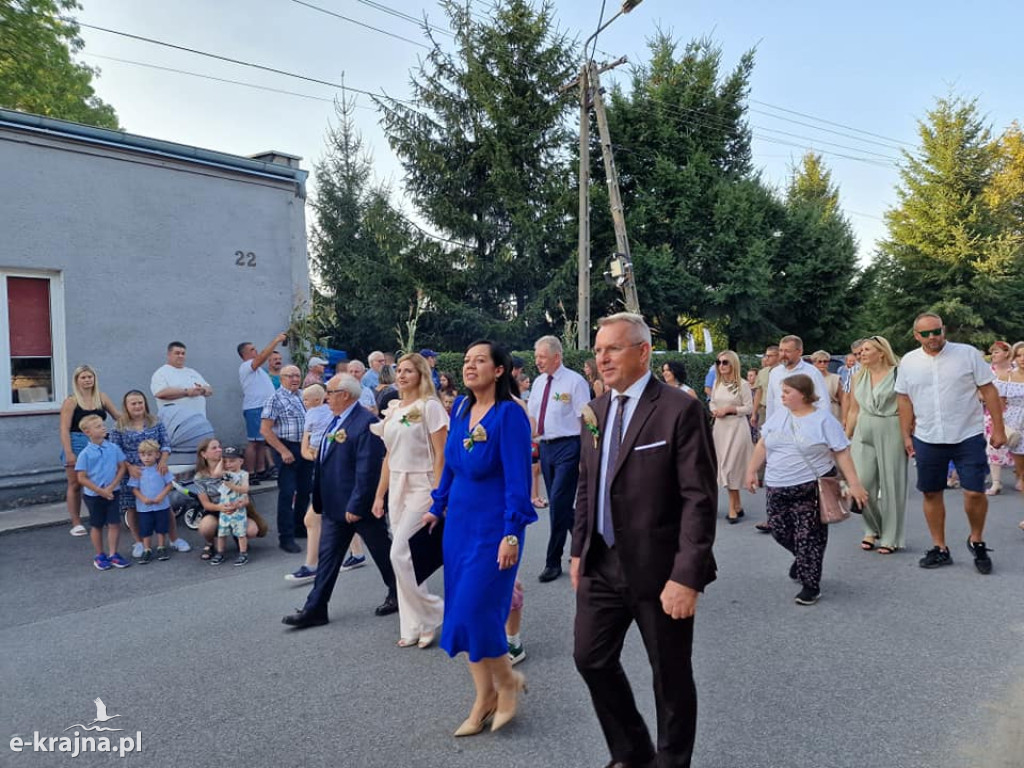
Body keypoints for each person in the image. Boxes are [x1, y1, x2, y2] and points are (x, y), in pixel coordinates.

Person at [571, 313, 718, 768]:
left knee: (670, 676)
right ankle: (631, 751)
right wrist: (578, 551)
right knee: (590, 659)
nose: (602, 358)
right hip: (601, 562)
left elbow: (699, 496)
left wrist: (687, 575)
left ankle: (672, 761)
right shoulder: (595, 410)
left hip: (660, 569)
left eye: (612, 348)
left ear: (643, 351)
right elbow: (586, 485)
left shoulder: (678, 407)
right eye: (598, 350)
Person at [424, 340, 535, 736]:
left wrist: (511, 534)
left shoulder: (510, 416)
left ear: (499, 370)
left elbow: (519, 482)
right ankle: (486, 694)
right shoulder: (460, 408)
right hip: (459, 528)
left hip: (494, 529)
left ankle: (505, 684)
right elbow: (450, 464)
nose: (470, 366)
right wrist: (437, 505)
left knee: (478, 612)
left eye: (479, 361)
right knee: (461, 613)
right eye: (466, 360)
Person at [282, 374, 398, 628]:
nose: (326, 397)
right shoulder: (335, 420)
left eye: (330, 392)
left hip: (357, 506)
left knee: (382, 552)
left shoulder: (365, 423)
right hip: (335, 505)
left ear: (345, 395)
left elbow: (367, 470)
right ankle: (315, 608)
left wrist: (356, 506)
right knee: (328, 558)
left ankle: (400, 592)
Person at [895, 312, 1006, 574]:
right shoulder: (909, 362)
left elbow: (989, 390)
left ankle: (976, 540)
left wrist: (998, 429)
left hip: (966, 433)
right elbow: (903, 399)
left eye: (937, 331)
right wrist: (905, 434)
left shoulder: (967, 354)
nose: (933, 337)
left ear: (943, 330)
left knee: (974, 491)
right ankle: (940, 547)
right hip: (928, 436)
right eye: (926, 333)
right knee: (932, 492)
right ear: (916, 336)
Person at [745, 374, 868, 605]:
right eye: (782, 392)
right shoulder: (778, 416)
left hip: (811, 485)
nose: (782, 396)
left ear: (802, 394)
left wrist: (855, 485)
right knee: (779, 530)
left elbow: (841, 452)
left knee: (810, 536)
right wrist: (752, 470)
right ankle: (803, 558)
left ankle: (811, 585)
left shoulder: (823, 420)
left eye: (787, 392)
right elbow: (763, 443)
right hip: (776, 484)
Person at [371, 353, 449, 649]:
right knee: (408, 558)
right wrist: (379, 494)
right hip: (397, 485)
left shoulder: (430, 407)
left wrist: (438, 495)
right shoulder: (392, 409)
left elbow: (441, 454)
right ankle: (413, 625)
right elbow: (389, 456)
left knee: (399, 553)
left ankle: (432, 613)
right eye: (398, 371)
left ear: (421, 375)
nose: (401, 376)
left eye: (408, 371)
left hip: (423, 484)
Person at [527, 335, 591, 583]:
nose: (538, 362)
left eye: (542, 357)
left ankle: (552, 561)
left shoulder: (574, 382)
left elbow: (585, 419)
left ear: (557, 356)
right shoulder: (539, 382)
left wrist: (585, 454)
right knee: (560, 504)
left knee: (557, 501)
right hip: (546, 446)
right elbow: (532, 416)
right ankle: (588, 543)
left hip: (569, 446)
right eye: (536, 357)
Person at [844, 335, 907, 554]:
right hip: (863, 428)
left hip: (891, 427)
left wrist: (909, 435)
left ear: (881, 352)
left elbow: (908, 406)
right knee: (861, 483)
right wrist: (846, 437)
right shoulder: (858, 376)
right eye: (859, 351)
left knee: (892, 485)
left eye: (866, 350)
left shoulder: (898, 374)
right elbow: (853, 409)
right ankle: (872, 528)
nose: (861, 354)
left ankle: (891, 536)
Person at [110, 389, 190, 556]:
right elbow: (115, 450)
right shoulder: (119, 426)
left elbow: (166, 443)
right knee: (133, 508)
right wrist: (129, 467)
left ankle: (174, 539)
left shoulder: (155, 421)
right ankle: (139, 543)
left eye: (140, 402)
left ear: (145, 403)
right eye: (133, 403)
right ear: (126, 406)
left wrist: (162, 461)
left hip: (156, 470)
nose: (137, 406)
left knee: (164, 506)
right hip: (132, 472)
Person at [59, 365, 120, 537]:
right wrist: (69, 452)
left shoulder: (101, 397)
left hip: (101, 443)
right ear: (77, 380)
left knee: (102, 480)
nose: (87, 380)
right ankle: (76, 522)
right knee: (76, 483)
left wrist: (136, 421)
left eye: (90, 377)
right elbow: (64, 429)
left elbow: (118, 416)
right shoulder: (71, 401)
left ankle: (101, 517)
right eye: (83, 377)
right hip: (77, 442)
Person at [260, 365, 312, 553]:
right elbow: (265, 430)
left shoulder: (302, 396)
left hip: (304, 447)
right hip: (286, 447)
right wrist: (282, 451)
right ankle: (286, 537)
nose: (294, 379)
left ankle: (299, 527)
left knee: (306, 490)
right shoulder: (275, 399)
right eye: (290, 376)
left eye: (297, 375)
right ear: (281, 378)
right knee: (287, 493)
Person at [285, 384, 333, 583]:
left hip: (329, 472)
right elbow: (306, 450)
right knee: (344, 518)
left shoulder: (314, 415)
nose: (305, 403)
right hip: (323, 468)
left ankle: (311, 566)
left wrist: (315, 452)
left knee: (312, 520)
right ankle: (357, 554)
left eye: (306, 399)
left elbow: (308, 448)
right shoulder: (330, 415)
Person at [74, 414, 130, 571]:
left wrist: (111, 487)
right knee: (97, 524)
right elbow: (81, 477)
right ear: (87, 432)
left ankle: (113, 554)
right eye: (98, 426)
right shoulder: (85, 454)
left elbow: (122, 467)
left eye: (102, 425)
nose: (103, 427)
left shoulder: (113, 448)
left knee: (114, 523)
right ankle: (100, 555)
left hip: (113, 492)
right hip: (94, 495)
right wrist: (100, 490)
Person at [193, 438, 260, 560]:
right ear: (204, 454)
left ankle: (238, 538)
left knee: (252, 530)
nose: (219, 450)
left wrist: (241, 503)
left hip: (236, 506)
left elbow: (245, 493)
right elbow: (206, 504)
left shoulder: (232, 468)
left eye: (219, 446)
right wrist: (221, 508)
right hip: (215, 509)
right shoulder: (199, 477)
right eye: (214, 448)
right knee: (206, 527)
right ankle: (210, 543)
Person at [710, 350, 754, 523]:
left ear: (733, 364)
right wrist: (714, 409)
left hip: (736, 427)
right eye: (719, 362)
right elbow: (712, 401)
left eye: (725, 362)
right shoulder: (717, 383)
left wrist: (730, 409)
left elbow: (749, 408)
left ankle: (732, 508)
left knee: (730, 467)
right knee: (723, 466)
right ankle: (738, 505)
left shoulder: (742, 384)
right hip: (720, 428)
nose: (721, 366)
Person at [237, 334, 286, 479]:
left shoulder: (258, 370)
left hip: (263, 408)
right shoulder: (246, 366)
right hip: (255, 408)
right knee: (253, 442)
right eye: (252, 349)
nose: (256, 352)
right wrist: (276, 341)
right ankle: (251, 473)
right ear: (244, 354)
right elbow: (263, 357)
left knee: (261, 442)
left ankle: (261, 470)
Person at [127, 439, 175, 563]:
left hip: (161, 505)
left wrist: (161, 496)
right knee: (145, 528)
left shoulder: (161, 469)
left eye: (149, 454)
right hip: (144, 507)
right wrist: (143, 498)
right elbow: (134, 488)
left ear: (157, 455)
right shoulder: (138, 471)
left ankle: (161, 547)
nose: (146, 458)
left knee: (161, 527)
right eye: (143, 455)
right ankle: (146, 549)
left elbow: (169, 484)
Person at [209, 446, 250, 566]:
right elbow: (215, 474)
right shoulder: (225, 473)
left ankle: (243, 553)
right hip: (225, 508)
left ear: (240, 461)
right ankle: (220, 552)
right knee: (222, 532)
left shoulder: (243, 474)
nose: (229, 464)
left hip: (238, 508)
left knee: (241, 533)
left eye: (232, 461)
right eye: (226, 461)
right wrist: (221, 461)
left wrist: (230, 485)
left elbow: (244, 489)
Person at [150, 341, 213, 418]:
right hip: (176, 424)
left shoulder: (192, 372)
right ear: (169, 355)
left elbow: (209, 390)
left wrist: (202, 390)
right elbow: (160, 393)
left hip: (199, 423)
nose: (181, 356)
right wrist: (186, 392)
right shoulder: (161, 373)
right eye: (177, 353)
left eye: (183, 353)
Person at [994, 341, 1024, 493]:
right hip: (1015, 426)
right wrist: (999, 427)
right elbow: (998, 405)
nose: (1022, 359)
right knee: (1021, 473)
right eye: (1019, 355)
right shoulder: (1007, 377)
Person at [985, 341, 1014, 494]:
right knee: (993, 446)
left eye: (996, 352)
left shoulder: (1015, 371)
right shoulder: (988, 371)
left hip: (1014, 411)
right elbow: (979, 390)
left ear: (1006, 353)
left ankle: (1020, 477)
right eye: (992, 352)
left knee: (1015, 444)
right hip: (991, 413)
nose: (993, 355)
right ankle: (996, 482)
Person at [750, 345, 780, 429]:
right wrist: (754, 413)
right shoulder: (762, 372)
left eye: (770, 356)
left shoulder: (786, 371)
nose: (766, 358)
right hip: (764, 409)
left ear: (778, 356)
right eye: (766, 355)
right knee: (762, 436)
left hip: (779, 409)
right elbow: (758, 393)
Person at [810, 350, 843, 420]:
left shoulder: (835, 379)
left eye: (825, 361)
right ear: (814, 363)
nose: (822, 364)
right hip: (814, 412)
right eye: (819, 361)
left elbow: (843, 400)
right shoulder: (809, 379)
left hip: (833, 412)